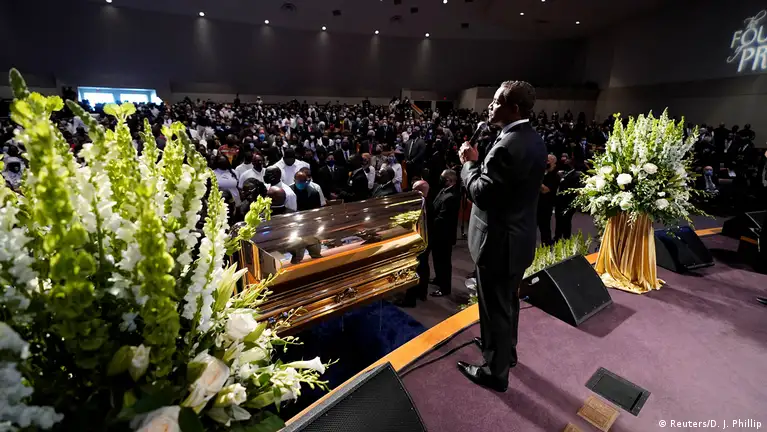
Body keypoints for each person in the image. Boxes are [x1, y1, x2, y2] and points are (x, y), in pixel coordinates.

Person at [457, 80, 546, 392]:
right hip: (518, 239)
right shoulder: (533, 139)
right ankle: (505, 353)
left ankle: (494, 372)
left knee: (494, 306)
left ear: (514, 108)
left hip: (498, 244)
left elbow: (482, 194)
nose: (490, 106)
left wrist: (469, 164)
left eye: (496, 101)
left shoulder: (507, 146)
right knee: (507, 301)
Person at [429, 169, 461, 297]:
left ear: (449, 180)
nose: (441, 180)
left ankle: (444, 288)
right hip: (437, 234)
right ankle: (438, 279)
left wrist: (429, 223)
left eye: (443, 178)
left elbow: (442, 218)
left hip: (444, 236)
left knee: (444, 262)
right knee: (437, 259)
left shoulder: (452, 196)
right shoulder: (444, 190)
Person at [399, 179, 431, 307]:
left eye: (414, 189)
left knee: (414, 267)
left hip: (418, 240)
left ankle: (410, 299)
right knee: (423, 267)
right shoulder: (429, 202)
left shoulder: (419, 205)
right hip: (426, 240)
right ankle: (422, 293)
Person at [554, 156, 581, 241]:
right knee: (558, 219)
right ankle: (557, 237)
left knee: (566, 221)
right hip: (559, 201)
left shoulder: (576, 175)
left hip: (568, 202)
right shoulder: (561, 173)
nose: (565, 162)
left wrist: (563, 179)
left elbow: (574, 189)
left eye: (568, 161)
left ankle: (566, 238)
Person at [537, 154, 560, 246]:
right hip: (536, 204)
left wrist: (536, 180)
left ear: (554, 163)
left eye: (548, 161)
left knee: (545, 228)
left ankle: (546, 246)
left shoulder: (555, 175)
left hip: (546, 206)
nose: (546, 162)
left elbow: (545, 190)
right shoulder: (541, 172)